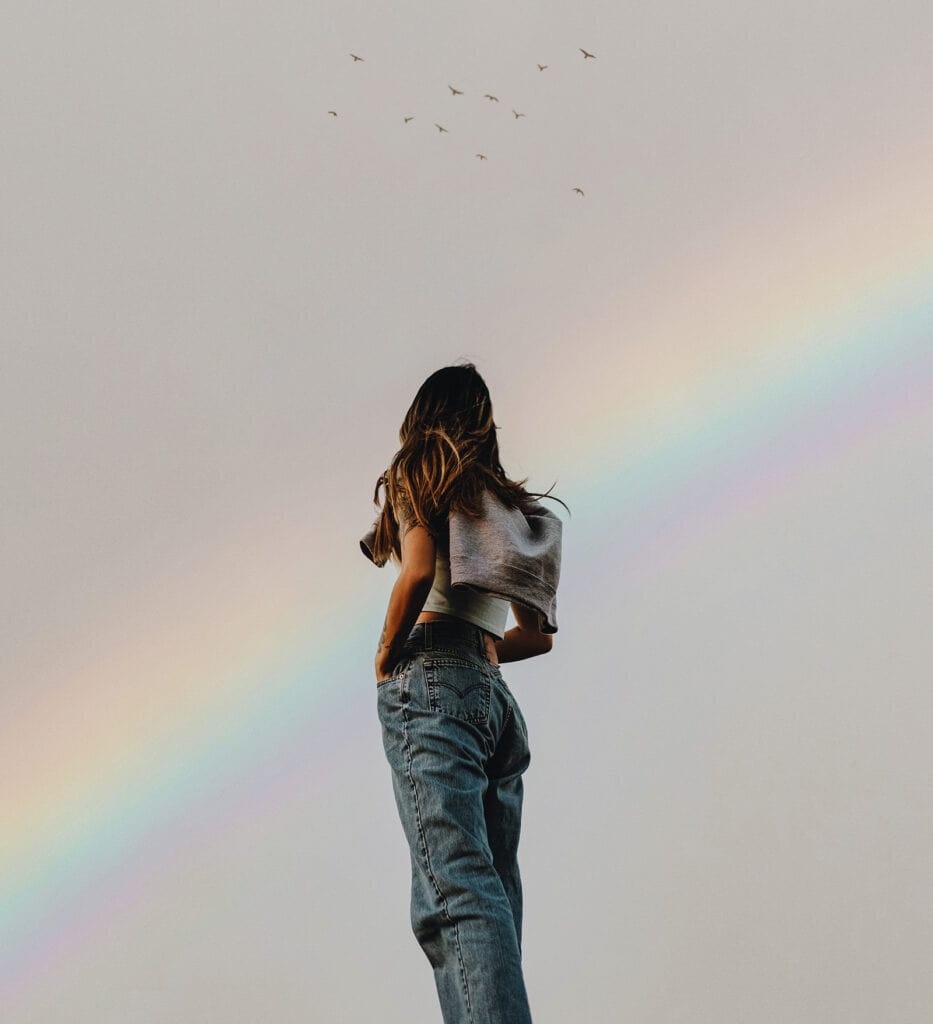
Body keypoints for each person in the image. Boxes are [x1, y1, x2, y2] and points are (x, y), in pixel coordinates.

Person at [359, 362, 568, 1024]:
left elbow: (417, 570)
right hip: (494, 701)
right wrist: (481, 653)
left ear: (423, 414)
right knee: (490, 894)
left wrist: (388, 653)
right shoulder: (504, 507)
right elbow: (535, 637)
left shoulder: (416, 467)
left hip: (432, 681)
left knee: (453, 895)